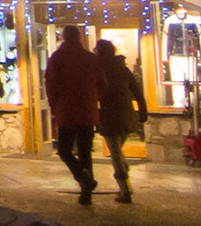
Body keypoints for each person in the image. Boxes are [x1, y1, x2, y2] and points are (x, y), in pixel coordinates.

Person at [43, 24, 105, 204]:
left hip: (67, 110)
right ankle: (86, 192)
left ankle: (84, 180)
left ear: (63, 37)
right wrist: (94, 98)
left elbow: (51, 84)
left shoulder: (58, 58)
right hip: (86, 110)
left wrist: (54, 105)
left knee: (64, 150)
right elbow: (102, 83)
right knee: (85, 152)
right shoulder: (90, 58)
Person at [92, 38, 148, 204]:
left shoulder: (100, 70)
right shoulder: (122, 69)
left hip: (110, 115)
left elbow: (94, 92)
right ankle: (126, 184)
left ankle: (124, 189)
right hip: (126, 115)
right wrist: (142, 111)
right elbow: (137, 91)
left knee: (115, 152)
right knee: (117, 150)